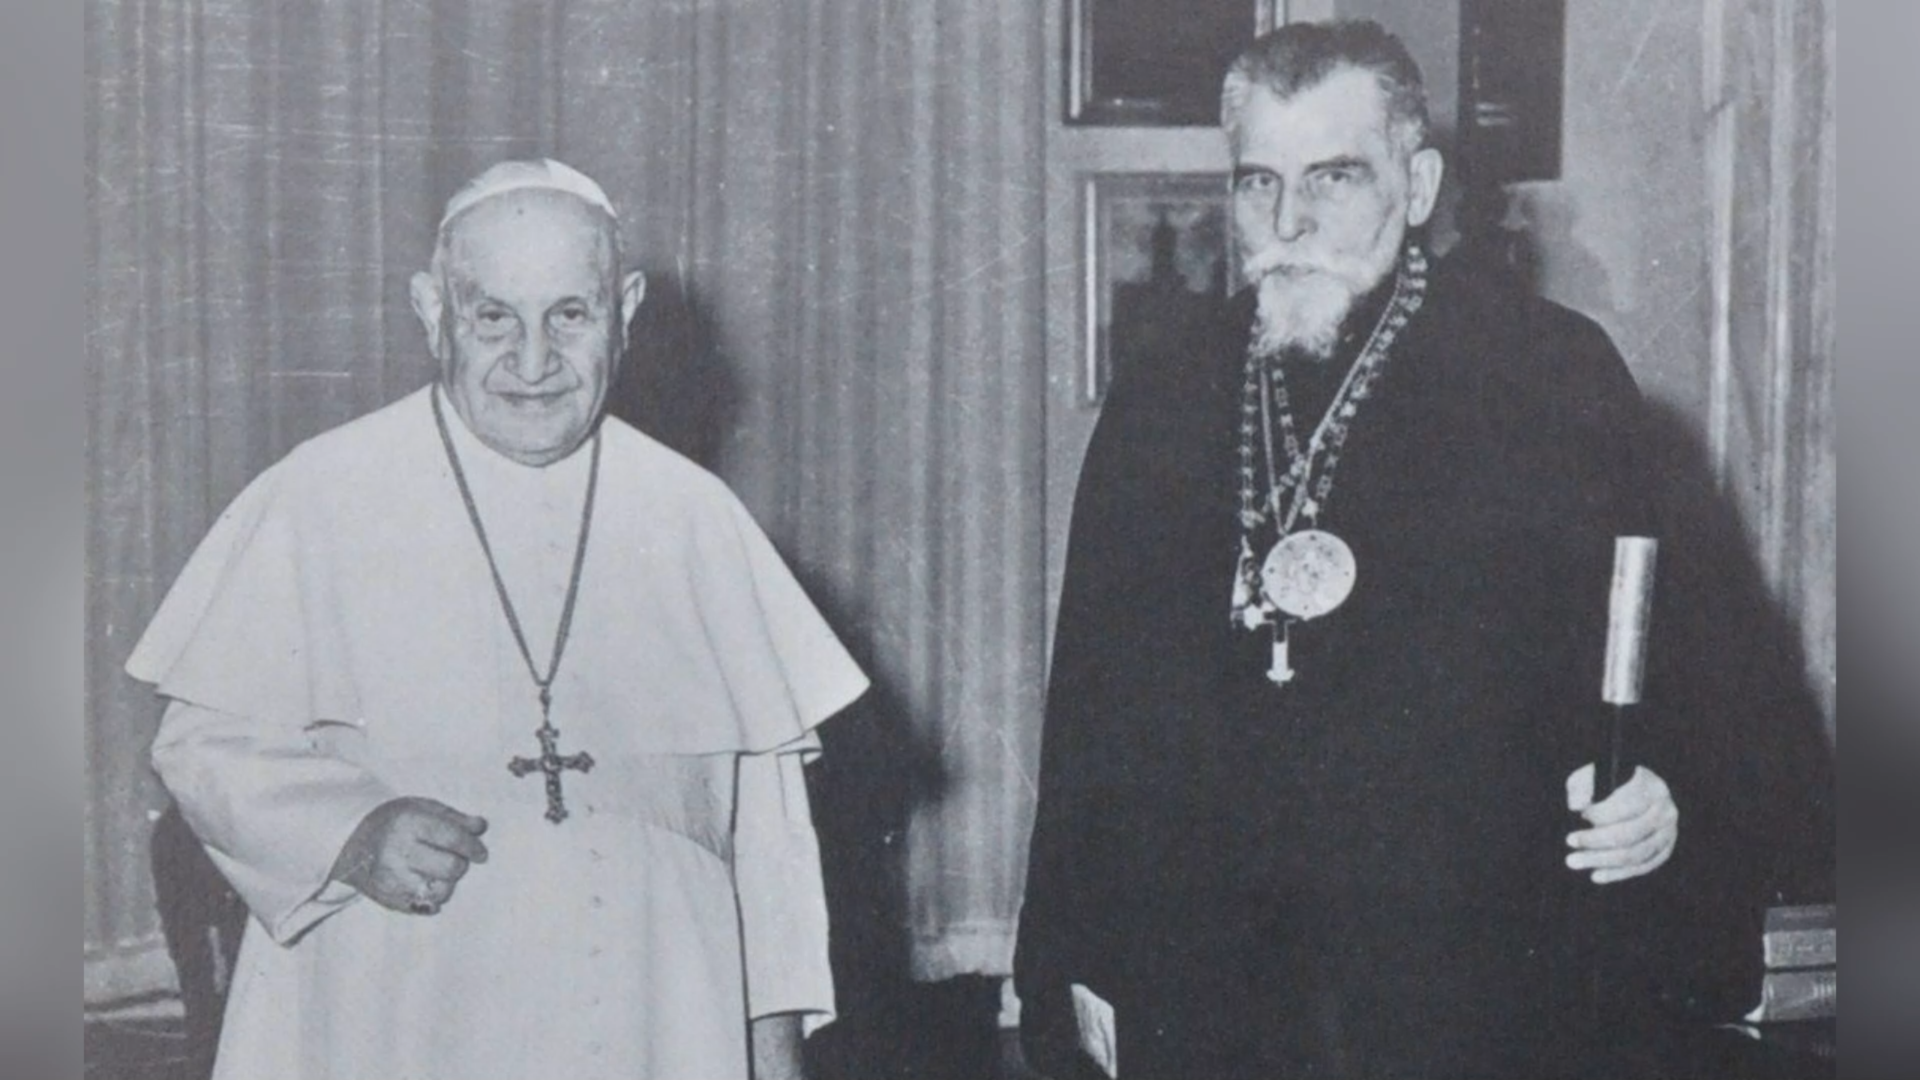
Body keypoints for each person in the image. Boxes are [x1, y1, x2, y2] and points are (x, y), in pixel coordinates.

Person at [1015, 21, 1828, 1079]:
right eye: (1259, 181)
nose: (1289, 219)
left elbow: (1695, 678)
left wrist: (1665, 792)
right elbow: (1093, 700)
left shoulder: (1550, 374)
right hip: (1209, 961)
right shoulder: (1167, 388)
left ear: (1418, 184)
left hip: (1471, 966)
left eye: (1334, 176)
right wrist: (1072, 952)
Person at [130, 159, 869, 1080]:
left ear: (625, 311)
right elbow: (202, 746)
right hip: (396, 1004)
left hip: (653, 1013)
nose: (533, 362)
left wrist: (774, 1048)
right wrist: (349, 834)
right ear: (433, 311)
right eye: (494, 318)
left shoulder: (695, 518)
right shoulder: (320, 494)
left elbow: (769, 839)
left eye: (571, 314)